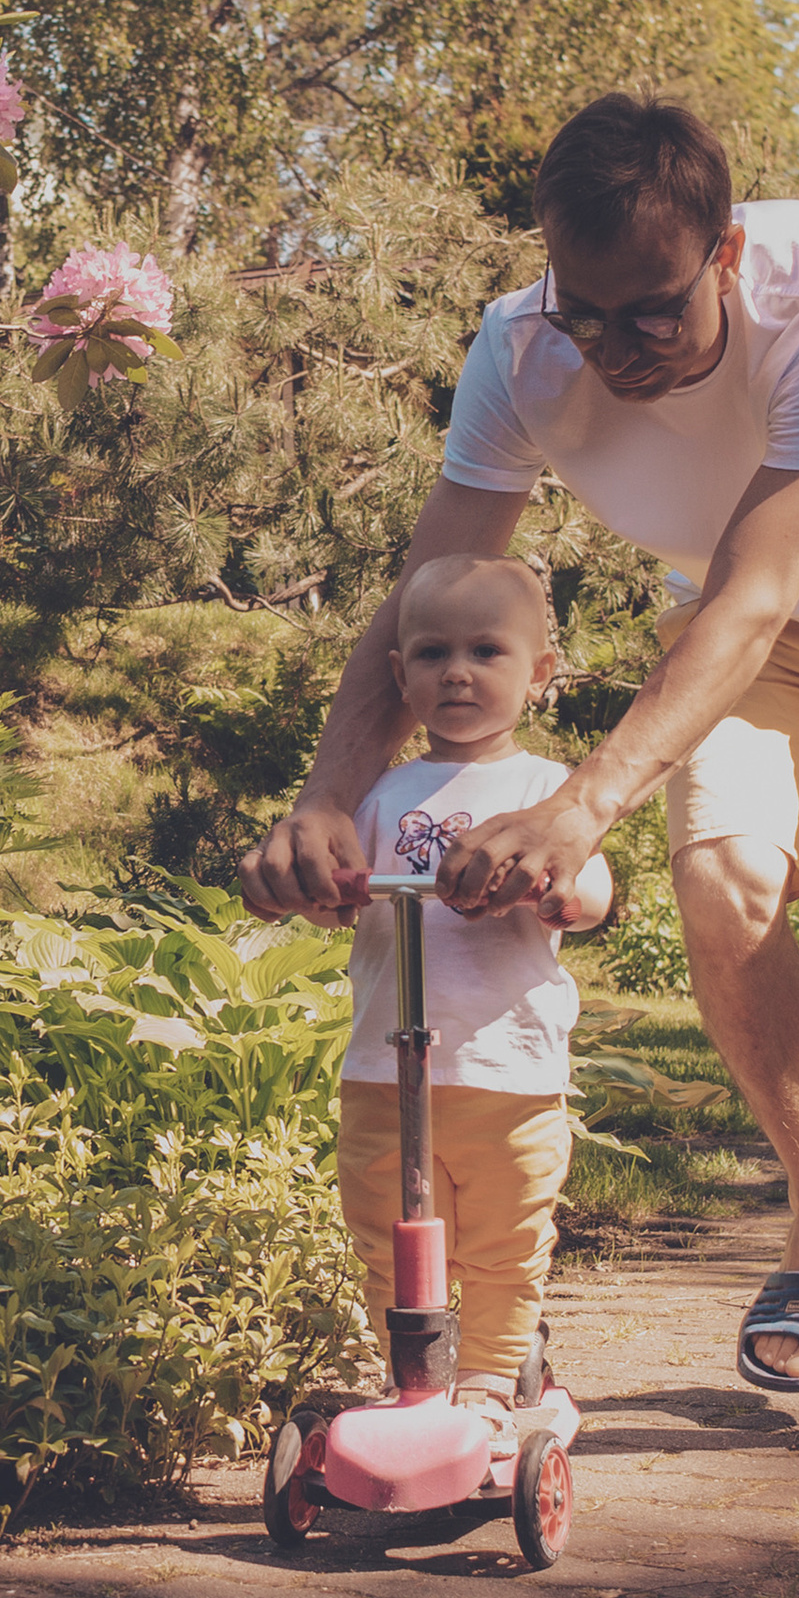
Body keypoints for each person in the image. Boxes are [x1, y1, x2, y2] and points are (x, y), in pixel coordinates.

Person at [244, 94, 799, 1480]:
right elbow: (427, 591)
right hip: (746, 626)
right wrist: (326, 791)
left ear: (724, 252)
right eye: (586, 312)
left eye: (653, 312)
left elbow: (756, 592)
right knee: (721, 890)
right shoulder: (518, 353)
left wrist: (578, 803)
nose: (614, 350)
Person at [335, 553, 612, 1452]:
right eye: (432, 653)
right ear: (399, 673)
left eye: (486, 651)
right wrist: (323, 889)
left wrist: (563, 894)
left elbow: (593, 888)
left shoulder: (546, 791)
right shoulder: (380, 792)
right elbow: (337, 882)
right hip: (385, 1064)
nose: (457, 672)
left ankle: (492, 1380)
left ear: (539, 673)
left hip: (507, 1068)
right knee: (387, 1231)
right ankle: (410, 1378)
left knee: (504, 1236)